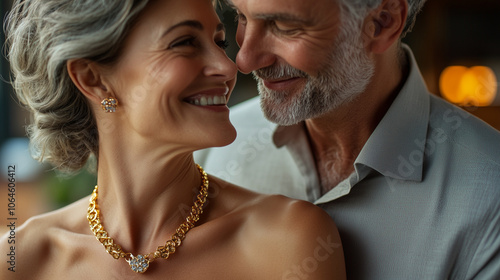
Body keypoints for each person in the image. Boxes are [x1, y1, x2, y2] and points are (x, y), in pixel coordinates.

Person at [0, 0, 346, 279]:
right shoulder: (20, 259)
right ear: (94, 79)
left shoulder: (286, 241)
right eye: (184, 43)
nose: (228, 67)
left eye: (219, 42)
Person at [195, 0, 500, 279]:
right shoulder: (209, 149)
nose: (245, 60)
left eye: (284, 26)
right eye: (241, 17)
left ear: (382, 22)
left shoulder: (490, 198)